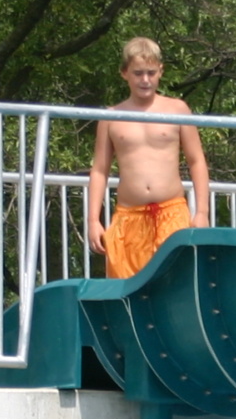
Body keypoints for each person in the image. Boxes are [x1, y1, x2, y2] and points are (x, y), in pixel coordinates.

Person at [86, 37, 212, 279]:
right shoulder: (111, 116)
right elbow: (100, 170)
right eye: (138, 73)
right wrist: (93, 219)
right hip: (128, 218)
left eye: (151, 73)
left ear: (160, 72)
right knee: (127, 291)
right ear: (124, 73)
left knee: (176, 284)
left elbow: (197, 161)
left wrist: (202, 212)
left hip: (172, 214)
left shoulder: (177, 110)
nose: (145, 80)